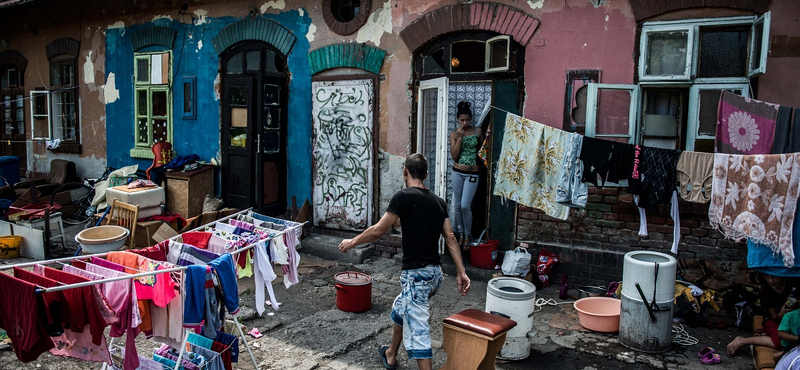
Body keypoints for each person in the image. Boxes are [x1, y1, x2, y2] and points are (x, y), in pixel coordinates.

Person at [338, 153, 471, 370]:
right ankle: (391, 354)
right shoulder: (438, 202)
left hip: (417, 276)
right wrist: (461, 271)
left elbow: (379, 230)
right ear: (426, 175)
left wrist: (352, 242)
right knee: (401, 308)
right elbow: (451, 238)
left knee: (419, 334)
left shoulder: (403, 197)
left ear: (405, 171)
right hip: (435, 275)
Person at [727, 274, 798, 357]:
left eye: (775, 276)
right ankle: (742, 341)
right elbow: (774, 316)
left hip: (793, 320)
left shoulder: (793, 285)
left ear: (782, 274)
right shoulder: (765, 290)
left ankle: (769, 335)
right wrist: (781, 314)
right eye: (767, 276)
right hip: (773, 320)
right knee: (781, 342)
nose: (771, 280)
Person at [448, 101, 484, 249]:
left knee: (465, 205)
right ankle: (461, 235)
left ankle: (468, 234)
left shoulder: (478, 131)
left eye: (467, 120)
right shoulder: (454, 134)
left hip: (472, 173)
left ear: (471, 119)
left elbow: (483, 152)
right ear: (457, 120)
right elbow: (454, 156)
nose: (465, 123)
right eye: (462, 120)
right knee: (457, 205)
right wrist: (460, 137)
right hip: (457, 171)